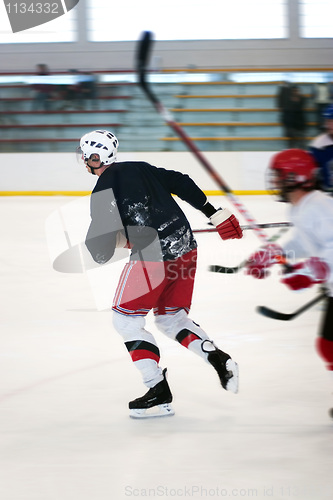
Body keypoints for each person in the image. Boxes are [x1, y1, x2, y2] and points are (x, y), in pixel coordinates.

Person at [78, 129, 242, 418]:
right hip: (185, 245)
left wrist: (114, 239)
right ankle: (218, 358)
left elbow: (99, 253)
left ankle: (157, 390)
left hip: (151, 258)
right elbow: (182, 181)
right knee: (170, 317)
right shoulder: (140, 168)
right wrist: (213, 213)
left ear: (93, 158)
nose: (84, 161)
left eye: (86, 156)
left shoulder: (102, 190)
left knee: (125, 321)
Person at [245, 149, 333, 418]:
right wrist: (272, 255)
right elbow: (304, 242)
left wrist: (312, 272)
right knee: (328, 345)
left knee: (329, 345)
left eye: (280, 177)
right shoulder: (301, 207)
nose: (275, 183)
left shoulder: (319, 206)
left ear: (297, 177)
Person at [309, 104, 333, 192]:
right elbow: (312, 174)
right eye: (328, 121)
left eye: (332, 121)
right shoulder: (318, 146)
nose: (330, 125)